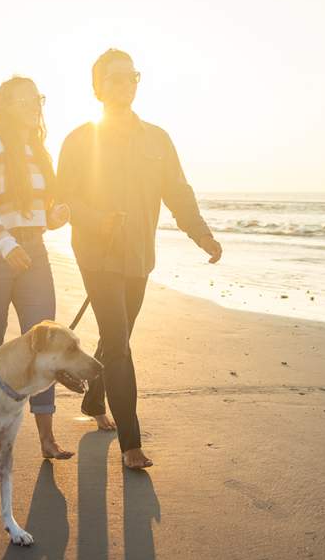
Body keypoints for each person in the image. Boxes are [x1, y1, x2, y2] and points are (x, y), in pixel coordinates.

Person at [57, 49, 222, 469]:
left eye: (131, 76)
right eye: (114, 78)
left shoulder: (157, 139)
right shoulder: (79, 139)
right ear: (97, 88)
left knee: (118, 337)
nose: (124, 84)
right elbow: (65, 198)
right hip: (96, 253)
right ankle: (131, 444)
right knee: (120, 343)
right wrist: (99, 220)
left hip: (139, 256)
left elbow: (178, 191)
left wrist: (200, 232)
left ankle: (95, 399)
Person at [0, 76, 73, 459]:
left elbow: (37, 210)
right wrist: (5, 243)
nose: (34, 107)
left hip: (35, 254)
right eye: (25, 101)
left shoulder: (39, 152)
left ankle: (46, 437)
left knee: (47, 343)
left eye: (37, 100)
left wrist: (56, 216)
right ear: (6, 106)